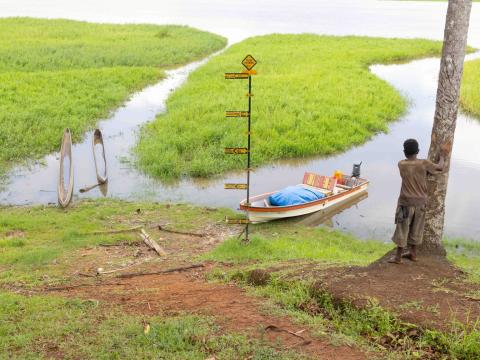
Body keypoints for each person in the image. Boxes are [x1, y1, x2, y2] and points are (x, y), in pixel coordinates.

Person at [389, 139, 447, 264]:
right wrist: (442, 156)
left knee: (402, 228)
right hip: (421, 203)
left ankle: (398, 257)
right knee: (417, 228)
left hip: (405, 203)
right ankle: (413, 254)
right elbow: (440, 168)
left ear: (404, 152)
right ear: (418, 151)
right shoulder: (424, 163)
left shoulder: (401, 164)